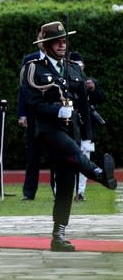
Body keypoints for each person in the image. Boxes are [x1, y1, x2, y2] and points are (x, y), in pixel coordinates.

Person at [21, 21, 117, 252]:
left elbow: (84, 104)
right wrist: (56, 110)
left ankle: (58, 235)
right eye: (57, 41)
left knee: (66, 180)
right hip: (47, 129)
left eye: (64, 40)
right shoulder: (34, 68)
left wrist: (87, 135)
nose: (62, 44)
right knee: (71, 152)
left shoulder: (74, 68)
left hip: (71, 128)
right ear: (45, 45)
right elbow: (33, 105)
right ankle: (100, 174)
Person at [69, 52, 106, 202]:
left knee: (85, 159)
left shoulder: (90, 81)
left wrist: (93, 88)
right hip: (70, 125)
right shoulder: (65, 81)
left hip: (85, 127)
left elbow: (101, 98)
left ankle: (81, 192)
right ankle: (66, 191)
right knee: (69, 158)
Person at [18, 26, 46, 201]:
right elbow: (23, 89)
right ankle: (29, 192)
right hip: (33, 114)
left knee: (56, 155)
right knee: (32, 155)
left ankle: (58, 190)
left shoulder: (61, 60)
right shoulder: (30, 60)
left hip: (54, 114)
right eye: (40, 37)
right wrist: (22, 114)